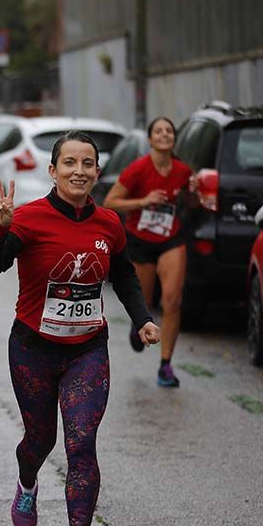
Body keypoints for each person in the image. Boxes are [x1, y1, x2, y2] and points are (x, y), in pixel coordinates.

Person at [0, 131, 161, 526]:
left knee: (81, 443)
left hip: (87, 351)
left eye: (88, 163)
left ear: (98, 171)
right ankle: (27, 482)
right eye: (70, 163)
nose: (79, 171)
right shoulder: (31, 218)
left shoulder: (109, 224)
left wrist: (142, 319)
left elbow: (125, 277)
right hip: (32, 349)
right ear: (53, 170)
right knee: (40, 441)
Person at [103, 116, 198, 388]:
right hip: (140, 240)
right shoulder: (138, 169)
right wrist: (143, 201)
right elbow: (111, 202)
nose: (165, 134)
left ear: (173, 139)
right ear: (151, 139)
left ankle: (165, 365)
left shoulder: (182, 170)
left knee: (173, 300)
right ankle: (138, 323)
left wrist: (192, 193)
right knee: (143, 301)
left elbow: (193, 203)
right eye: (159, 131)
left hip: (171, 238)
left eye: (169, 131)